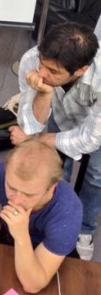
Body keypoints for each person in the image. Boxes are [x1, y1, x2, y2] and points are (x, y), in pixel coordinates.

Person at [10, 21, 101, 261]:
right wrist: (44, 92)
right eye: (43, 64)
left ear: (81, 70)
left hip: (97, 126)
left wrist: (39, 139)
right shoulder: (31, 60)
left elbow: (90, 138)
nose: (41, 74)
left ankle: (85, 229)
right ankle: (54, 220)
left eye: (53, 72)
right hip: (59, 116)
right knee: (54, 170)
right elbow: (30, 126)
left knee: (96, 176)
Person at [0, 139, 82, 295]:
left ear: (52, 187)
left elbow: (32, 285)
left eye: (29, 194)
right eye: (11, 187)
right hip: (10, 235)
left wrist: (21, 236)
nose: (16, 200)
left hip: (47, 251)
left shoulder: (68, 211)